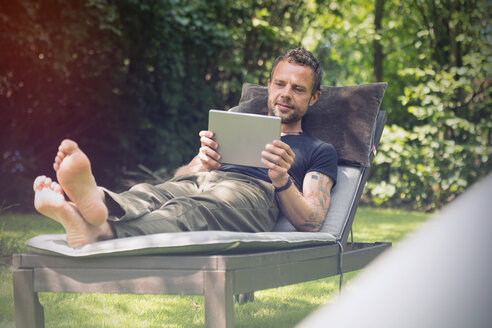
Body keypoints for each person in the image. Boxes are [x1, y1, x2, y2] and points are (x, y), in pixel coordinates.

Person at [33, 47, 338, 248]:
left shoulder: (318, 149)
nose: (286, 94)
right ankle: (94, 201)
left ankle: (103, 232)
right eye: (280, 84)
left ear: (313, 98)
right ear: (269, 85)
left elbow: (311, 222)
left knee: (189, 210)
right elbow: (180, 177)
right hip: (204, 180)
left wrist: (282, 179)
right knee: (152, 193)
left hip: (255, 193)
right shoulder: (236, 123)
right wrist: (201, 163)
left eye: (298, 89)